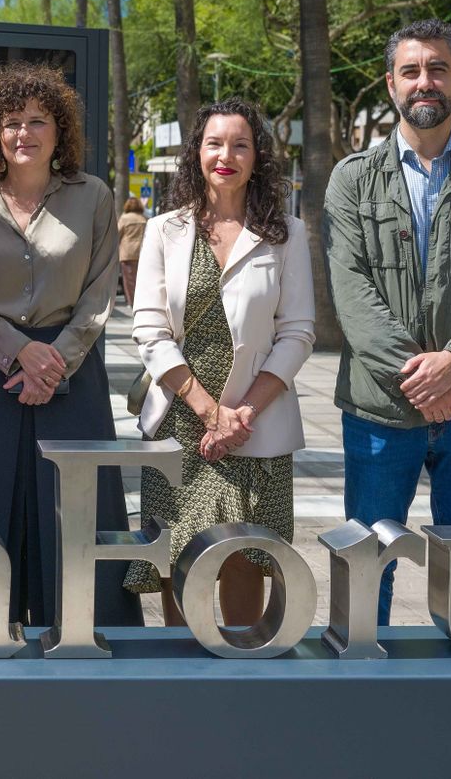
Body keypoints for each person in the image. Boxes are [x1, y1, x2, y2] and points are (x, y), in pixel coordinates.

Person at [324, 18, 451, 626]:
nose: (426, 82)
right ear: (390, 83)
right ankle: (362, 688)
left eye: (438, 69)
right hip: (379, 411)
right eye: (411, 71)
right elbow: (352, 291)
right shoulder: (352, 180)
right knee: (368, 558)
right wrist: (420, 380)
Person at [0, 64, 140, 628]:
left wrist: (53, 361)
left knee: (73, 513)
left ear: (59, 130)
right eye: (10, 122)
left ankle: (86, 636)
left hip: (70, 376)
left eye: (37, 121)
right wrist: (13, 349)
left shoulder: (93, 196)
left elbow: (100, 295)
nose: (23, 133)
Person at [126, 99, 315, 625]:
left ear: (258, 158)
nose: (225, 155)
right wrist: (211, 413)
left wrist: (241, 416)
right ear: (197, 153)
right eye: (214, 143)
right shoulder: (165, 230)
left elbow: (297, 333)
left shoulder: (288, 235)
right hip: (182, 419)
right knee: (177, 557)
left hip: (258, 422)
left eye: (240, 144)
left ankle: (239, 673)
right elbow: (149, 329)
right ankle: (181, 680)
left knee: (243, 556)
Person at [118, 196, 147, 309]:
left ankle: (131, 302)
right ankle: (141, 301)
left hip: (127, 252)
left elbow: (117, 234)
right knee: (141, 279)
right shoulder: (143, 218)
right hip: (142, 251)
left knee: (128, 280)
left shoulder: (124, 218)